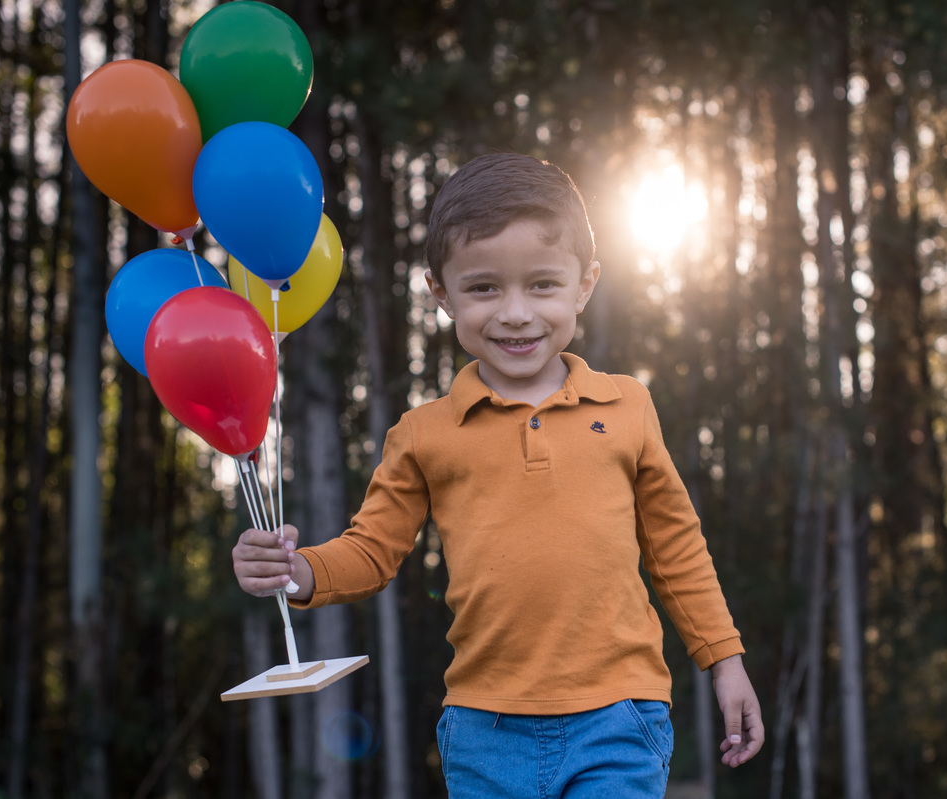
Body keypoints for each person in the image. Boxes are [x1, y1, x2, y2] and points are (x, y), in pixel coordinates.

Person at [233, 153, 763, 797]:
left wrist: (724, 660)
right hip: (485, 728)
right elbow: (371, 553)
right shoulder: (423, 434)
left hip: (619, 715)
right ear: (441, 293)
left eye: (542, 284)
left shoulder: (628, 407)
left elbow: (677, 549)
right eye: (484, 288)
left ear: (585, 284)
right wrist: (298, 570)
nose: (515, 313)